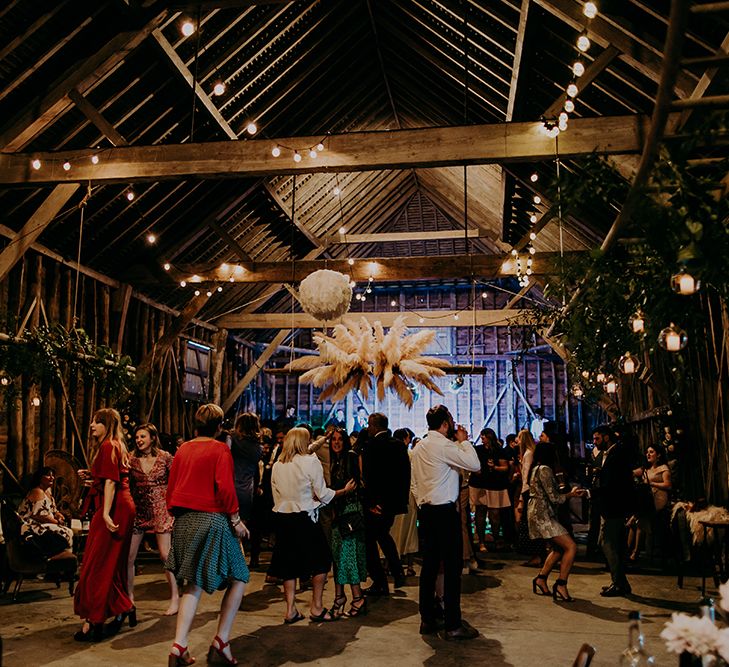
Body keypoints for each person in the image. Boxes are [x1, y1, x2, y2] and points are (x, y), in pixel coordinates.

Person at [165, 404, 249, 667]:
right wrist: (236, 520)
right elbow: (225, 488)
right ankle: (221, 642)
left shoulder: (183, 449)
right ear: (220, 426)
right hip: (212, 519)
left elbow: (172, 486)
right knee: (240, 576)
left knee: (194, 583)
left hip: (183, 521)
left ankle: (179, 647)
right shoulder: (220, 449)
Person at [269, 427, 356, 623]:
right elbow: (323, 493)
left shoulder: (278, 465)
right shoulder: (310, 461)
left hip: (283, 517)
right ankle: (316, 607)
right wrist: (344, 491)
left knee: (288, 565)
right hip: (305, 516)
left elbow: (275, 495)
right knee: (321, 561)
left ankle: (290, 610)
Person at [411, 404, 480, 641]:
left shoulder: (419, 446)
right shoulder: (444, 445)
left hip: (427, 512)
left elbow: (414, 482)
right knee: (452, 568)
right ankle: (452, 624)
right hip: (445, 513)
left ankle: (427, 618)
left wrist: (421, 502)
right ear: (445, 424)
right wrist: (464, 440)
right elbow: (474, 464)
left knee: (429, 566)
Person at [73, 408, 136, 642]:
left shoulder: (110, 445)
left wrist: (107, 515)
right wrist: (91, 477)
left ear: (107, 425)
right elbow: (107, 478)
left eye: (97, 422)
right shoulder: (114, 445)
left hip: (115, 507)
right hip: (118, 504)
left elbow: (111, 482)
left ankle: (95, 619)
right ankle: (121, 609)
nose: (91, 425)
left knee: (97, 565)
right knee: (107, 564)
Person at [127, 423, 178, 616]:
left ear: (152, 438)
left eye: (143, 436)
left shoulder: (165, 458)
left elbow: (177, 480)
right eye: (137, 437)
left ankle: (174, 597)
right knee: (129, 557)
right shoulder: (130, 459)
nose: (139, 440)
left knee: (165, 555)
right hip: (139, 509)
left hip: (161, 508)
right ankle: (129, 596)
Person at [528, 441, 585, 601]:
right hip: (543, 515)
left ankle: (541, 578)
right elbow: (555, 498)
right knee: (571, 547)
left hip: (540, 513)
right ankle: (561, 583)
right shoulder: (545, 470)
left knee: (559, 549)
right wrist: (571, 494)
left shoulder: (535, 469)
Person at [361, 412, 410, 596]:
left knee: (369, 540)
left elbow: (371, 477)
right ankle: (397, 572)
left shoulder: (372, 445)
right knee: (383, 536)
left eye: (368, 425)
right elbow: (404, 475)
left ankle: (380, 581)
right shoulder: (398, 445)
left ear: (374, 426)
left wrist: (372, 502)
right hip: (393, 502)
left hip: (377, 503)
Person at [326, 428, 368, 618]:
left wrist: (337, 492)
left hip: (350, 512)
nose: (336, 442)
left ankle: (357, 597)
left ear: (345, 441)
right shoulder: (334, 461)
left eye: (339, 439)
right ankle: (340, 597)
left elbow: (353, 486)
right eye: (333, 439)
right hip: (338, 514)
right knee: (338, 556)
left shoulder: (350, 457)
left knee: (347, 556)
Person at [593, 425, 634, 597]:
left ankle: (619, 583)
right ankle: (620, 582)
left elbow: (614, 483)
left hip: (614, 505)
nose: (594, 442)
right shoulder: (610, 453)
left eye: (597, 438)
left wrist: (591, 492)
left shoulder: (617, 454)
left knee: (608, 543)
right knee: (610, 543)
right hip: (611, 504)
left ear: (606, 437)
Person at [18, 466, 74, 559]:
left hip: (44, 521)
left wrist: (58, 514)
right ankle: (56, 560)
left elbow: (53, 510)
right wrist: (58, 522)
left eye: (53, 475)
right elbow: (40, 516)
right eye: (48, 475)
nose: (52, 478)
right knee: (64, 531)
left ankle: (64, 560)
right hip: (32, 524)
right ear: (40, 478)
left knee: (67, 531)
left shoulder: (48, 491)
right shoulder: (37, 491)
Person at [628, 445, 672, 561]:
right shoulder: (646, 469)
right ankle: (628, 550)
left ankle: (634, 552)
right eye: (647, 452)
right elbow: (632, 473)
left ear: (658, 455)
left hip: (658, 499)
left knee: (639, 520)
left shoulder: (663, 468)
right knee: (638, 521)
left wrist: (651, 484)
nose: (648, 454)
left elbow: (668, 485)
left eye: (651, 452)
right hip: (647, 500)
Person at [469, 428, 510, 551]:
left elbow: (505, 467)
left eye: (484, 437)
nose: (482, 439)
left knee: (495, 514)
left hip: (495, 484)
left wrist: (495, 467)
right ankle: (481, 541)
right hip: (480, 483)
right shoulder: (478, 450)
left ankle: (496, 538)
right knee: (480, 512)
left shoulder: (499, 451)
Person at [390, 428, 419, 577]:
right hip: (408, 495)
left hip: (394, 496)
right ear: (406, 439)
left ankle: (392, 563)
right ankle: (409, 565)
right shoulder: (410, 454)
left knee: (394, 531)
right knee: (409, 532)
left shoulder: (389, 454)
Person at [230, 413, 263, 526]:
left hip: (230, 485)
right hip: (247, 489)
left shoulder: (232, 439)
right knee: (242, 524)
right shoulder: (258, 447)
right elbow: (256, 469)